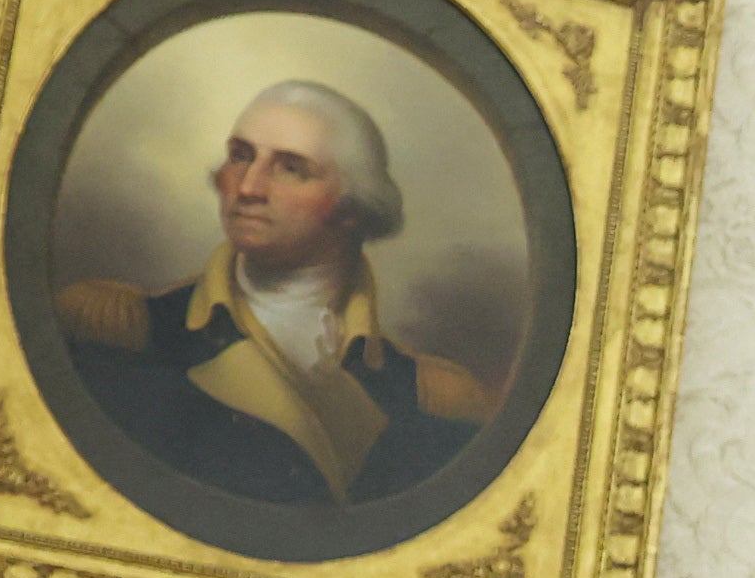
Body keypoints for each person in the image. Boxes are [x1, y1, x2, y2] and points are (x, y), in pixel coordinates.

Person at [56, 79, 494, 508]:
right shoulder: (118, 333)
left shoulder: (432, 398)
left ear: (353, 207)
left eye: (290, 168)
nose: (247, 188)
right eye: (240, 157)